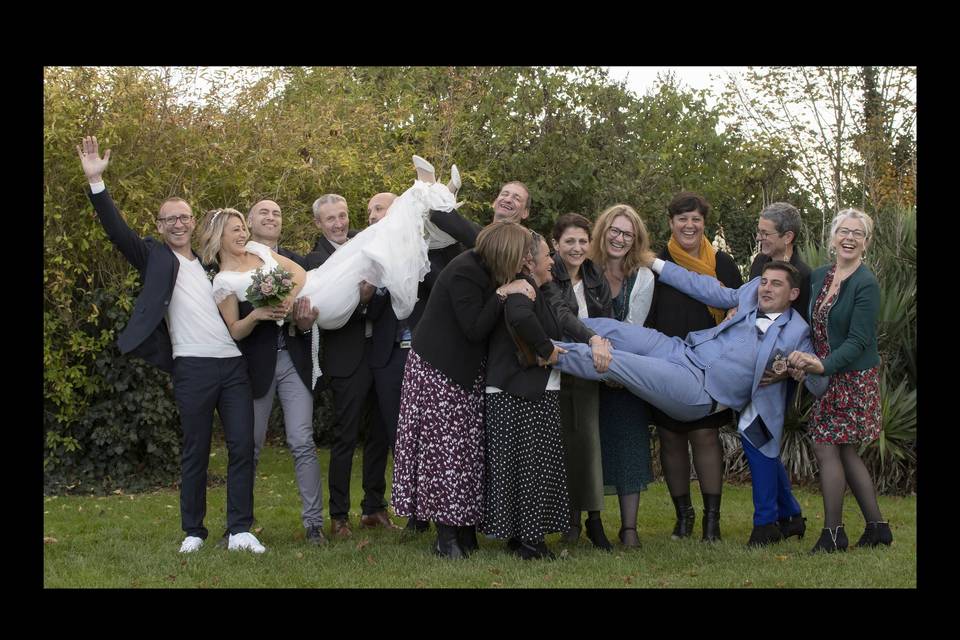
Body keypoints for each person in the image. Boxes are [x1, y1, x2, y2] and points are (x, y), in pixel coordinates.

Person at [76, 136, 265, 554]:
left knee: (242, 448)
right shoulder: (154, 257)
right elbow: (116, 231)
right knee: (196, 450)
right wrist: (96, 184)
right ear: (160, 227)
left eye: (184, 217)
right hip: (192, 368)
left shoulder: (211, 266)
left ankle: (239, 530)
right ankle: (194, 532)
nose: (178, 224)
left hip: (233, 366)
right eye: (170, 220)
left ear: (193, 222)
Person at [553, 260, 830, 541]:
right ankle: (540, 327)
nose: (766, 289)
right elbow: (700, 285)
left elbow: (820, 384)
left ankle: (546, 353)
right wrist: (654, 262)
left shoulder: (797, 332)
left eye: (776, 284)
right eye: (764, 281)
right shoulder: (749, 293)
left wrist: (804, 366)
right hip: (682, 351)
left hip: (699, 390)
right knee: (612, 329)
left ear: (793, 294)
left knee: (621, 363)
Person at [391, 221, 537, 558]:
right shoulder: (464, 272)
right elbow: (474, 329)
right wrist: (504, 293)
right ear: (506, 253)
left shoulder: (490, 267)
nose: (525, 262)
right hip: (439, 371)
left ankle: (465, 531)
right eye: (521, 256)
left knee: (469, 454)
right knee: (446, 455)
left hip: (466, 372)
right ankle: (446, 539)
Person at [198, 204, 327, 546]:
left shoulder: (260, 250)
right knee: (249, 447)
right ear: (220, 237)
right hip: (254, 367)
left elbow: (299, 274)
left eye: (243, 227)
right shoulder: (222, 281)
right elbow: (235, 330)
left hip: (293, 358)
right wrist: (256, 314)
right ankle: (240, 525)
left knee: (302, 440)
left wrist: (286, 300)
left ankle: (314, 524)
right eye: (236, 229)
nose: (243, 234)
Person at [483, 231, 612, 559]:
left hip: (522, 390)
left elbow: (554, 318)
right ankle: (530, 543)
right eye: (546, 256)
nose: (551, 260)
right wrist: (547, 350)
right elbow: (521, 318)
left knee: (524, 468)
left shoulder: (538, 287)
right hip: (520, 391)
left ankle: (520, 537)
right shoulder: (521, 288)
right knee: (532, 468)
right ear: (529, 261)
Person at [787, 208, 892, 553]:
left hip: (853, 379)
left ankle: (833, 533)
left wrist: (821, 366)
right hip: (827, 374)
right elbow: (812, 328)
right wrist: (803, 360)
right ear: (832, 239)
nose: (849, 238)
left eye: (857, 233)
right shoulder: (819, 276)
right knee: (844, 451)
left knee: (825, 445)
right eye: (843, 231)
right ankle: (877, 528)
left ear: (866, 242)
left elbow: (859, 341)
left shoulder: (866, 283)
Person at [644, 192, 742, 542]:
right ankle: (682, 517)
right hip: (666, 360)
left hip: (709, 365)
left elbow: (740, 312)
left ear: (704, 223)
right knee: (670, 437)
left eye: (696, 219)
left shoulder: (723, 263)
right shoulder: (653, 262)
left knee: (705, 436)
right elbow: (645, 313)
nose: (689, 225)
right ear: (670, 222)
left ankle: (711, 522)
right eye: (682, 218)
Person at [585, 205, 656, 548]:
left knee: (629, 444)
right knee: (586, 444)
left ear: (636, 240)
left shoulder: (643, 277)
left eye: (627, 234)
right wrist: (596, 362)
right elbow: (576, 318)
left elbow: (633, 329)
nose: (619, 238)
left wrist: (615, 369)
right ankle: (587, 522)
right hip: (585, 367)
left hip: (626, 371)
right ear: (603, 231)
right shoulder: (584, 268)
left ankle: (629, 528)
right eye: (615, 230)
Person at [549, 213, 614, 550]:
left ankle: (594, 520)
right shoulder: (549, 277)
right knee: (563, 445)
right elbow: (561, 315)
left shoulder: (595, 276)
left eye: (582, 241)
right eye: (569, 242)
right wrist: (592, 338)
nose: (576, 248)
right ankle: (569, 519)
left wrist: (602, 346)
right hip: (555, 365)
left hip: (590, 368)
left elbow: (610, 322)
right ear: (555, 245)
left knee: (588, 441)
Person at [749, 202, 811, 322]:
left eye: (765, 233)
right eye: (759, 232)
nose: (758, 238)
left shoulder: (804, 275)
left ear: (788, 237)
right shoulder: (759, 261)